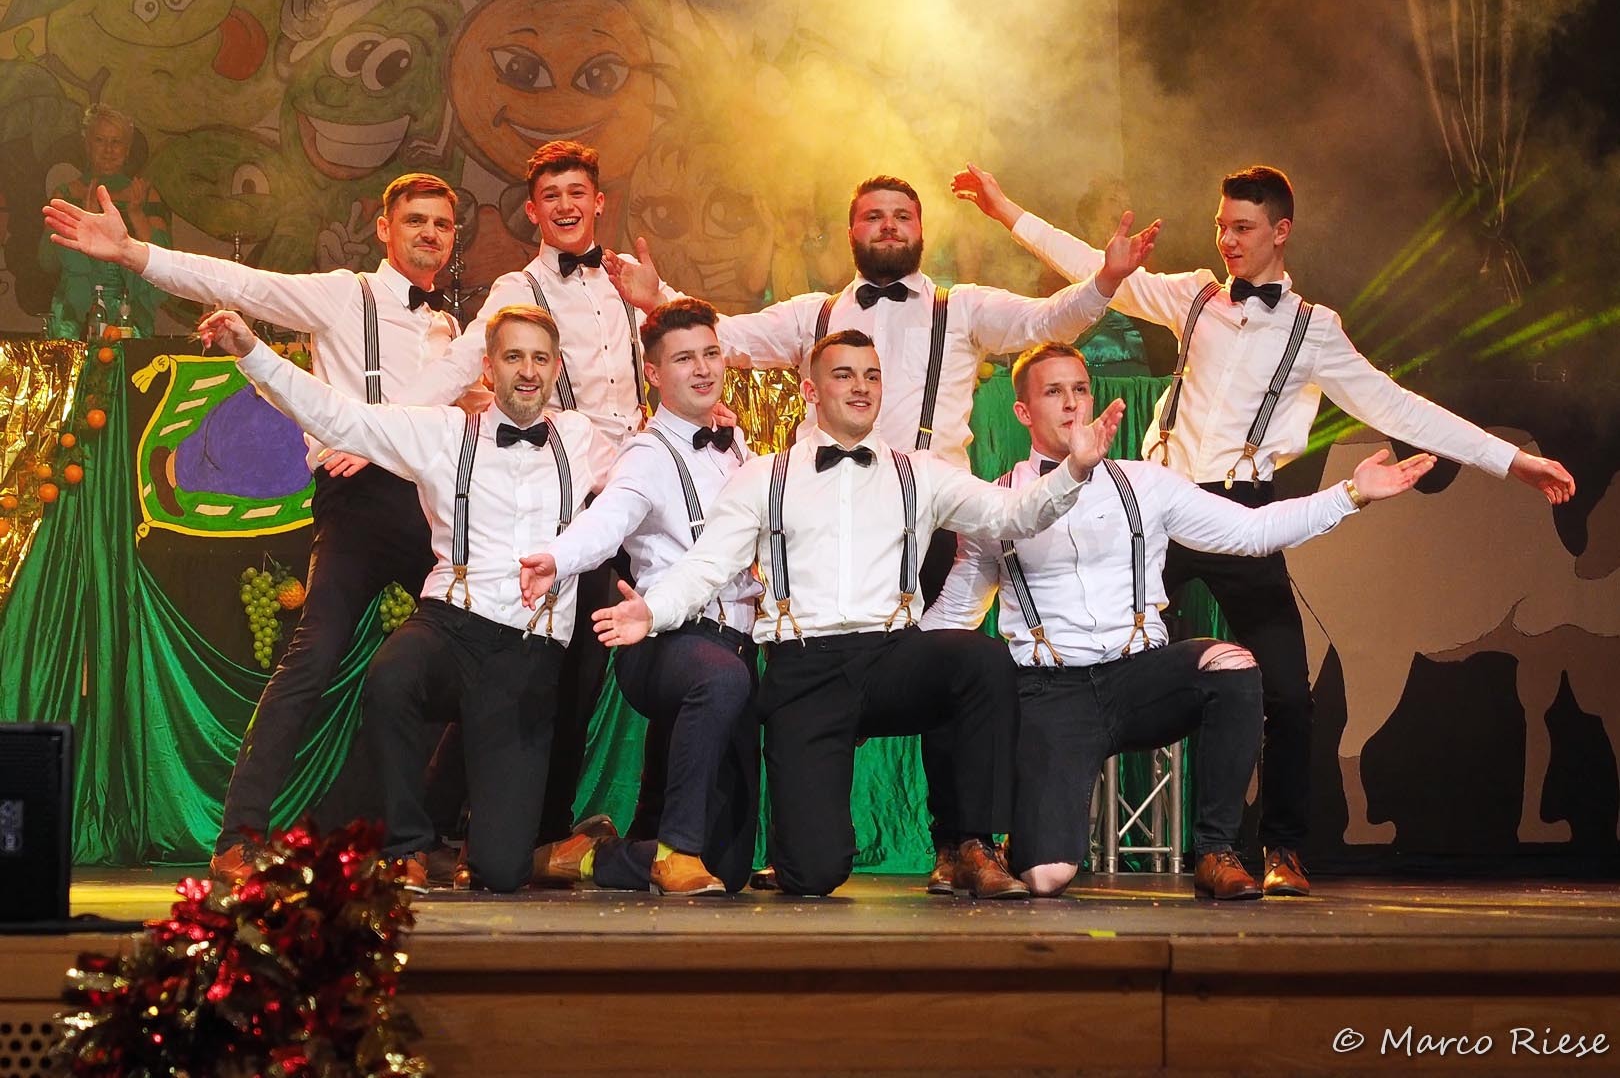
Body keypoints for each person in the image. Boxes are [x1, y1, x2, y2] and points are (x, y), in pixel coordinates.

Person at [952, 162, 1576, 894]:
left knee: (1285, 690)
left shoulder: (1315, 330)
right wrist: (1005, 209)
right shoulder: (1192, 295)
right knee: (1068, 645)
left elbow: (1399, 407)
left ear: (1281, 232)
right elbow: (1096, 265)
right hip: (1158, 507)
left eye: (1243, 228)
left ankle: (1275, 849)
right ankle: (1005, 832)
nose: (1228, 240)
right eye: (1221, 226)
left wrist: (1510, 461)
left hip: (1241, 511)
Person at [607, 172, 1160, 887]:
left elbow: (1042, 334)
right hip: (809, 639)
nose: (889, 225)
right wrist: (652, 610)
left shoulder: (960, 317)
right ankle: (749, 844)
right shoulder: (774, 453)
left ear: (921, 229)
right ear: (811, 387)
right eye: (874, 215)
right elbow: (722, 345)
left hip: (920, 544)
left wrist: (1104, 290)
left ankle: (967, 843)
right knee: (812, 871)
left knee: (973, 664)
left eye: (903, 215)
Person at [44, 171, 464, 881]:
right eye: (415, 220)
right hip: (361, 507)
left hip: (438, 508)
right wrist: (134, 254)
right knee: (314, 655)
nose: (429, 233)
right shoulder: (346, 294)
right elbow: (241, 283)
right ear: (384, 230)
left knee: (484, 653)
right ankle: (239, 836)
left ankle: (434, 835)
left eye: (442, 224)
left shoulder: (449, 327)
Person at [921, 343, 1436, 899]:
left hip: (1139, 678)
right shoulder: (996, 503)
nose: (1072, 403)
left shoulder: (1147, 483)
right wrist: (895, 660)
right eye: (1054, 392)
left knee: (1231, 664)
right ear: (1023, 412)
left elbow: (1250, 532)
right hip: (1052, 692)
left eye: (1080, 389)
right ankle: (1017, 843)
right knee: (1047, 878)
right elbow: (956, 612)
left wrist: (1351, 493)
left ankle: (1215, 851)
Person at [198, 304, 610, 891]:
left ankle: (536, 855)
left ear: (556, 368)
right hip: (452, 622)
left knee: (500, 872)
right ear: (488, 368)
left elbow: (641, 488)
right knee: (392, 674)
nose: (527, 371)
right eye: (513, 357)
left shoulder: (581, 437)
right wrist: (252, 353)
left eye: (540, 359)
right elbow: (338, 416)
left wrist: (711, 421)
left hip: (528, 651)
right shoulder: (443, 431)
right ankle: (407, 847)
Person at [412, 140, 687, 852]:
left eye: (577, 193)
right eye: (551, 196)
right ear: (532, 211)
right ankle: (456, 826)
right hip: (564, 495)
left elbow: (696, 339)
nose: (566, 206)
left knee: (596, 667)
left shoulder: (627, 279)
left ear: (599, 202)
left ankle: (550, 830)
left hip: (638, 492)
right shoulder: (517, 287)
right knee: (535, 661)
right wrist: (384, 425)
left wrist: (660, 301)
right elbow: (463, 362)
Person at [518, 298, 760, 896]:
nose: (702, 369)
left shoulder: (736, 446)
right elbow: (609, 518)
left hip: (736, 641)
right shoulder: (646, 454)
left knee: (729, 868)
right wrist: (558, 558)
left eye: (710, 354)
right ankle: (675, 852)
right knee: (720, 677)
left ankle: (594, 856)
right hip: (663, 641)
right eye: (684, 359)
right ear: (653, 374)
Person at [38, 104, 169, 338]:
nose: (108, 150)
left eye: (116, 142)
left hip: (129, 315)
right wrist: (84, 227)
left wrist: (136, 215)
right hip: (74, 316)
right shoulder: (65, 195)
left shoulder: (146, 195)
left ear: (127, 149)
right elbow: (47, 261)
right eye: (100, 140)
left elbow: (164, 268)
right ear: (87, 145)